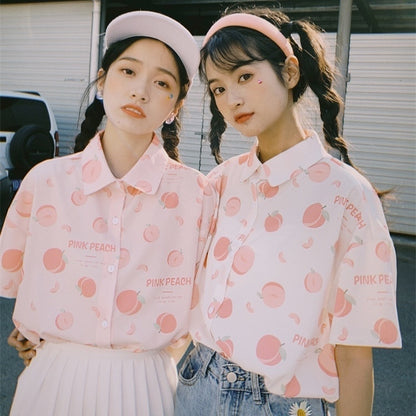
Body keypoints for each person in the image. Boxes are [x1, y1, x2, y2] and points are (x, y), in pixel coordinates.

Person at [174, 8, 401, 416]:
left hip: (285, 403)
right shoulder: (223, 182)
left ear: (290, 72)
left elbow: (354, 356)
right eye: (219, 89)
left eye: (244, 76)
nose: (233, 99)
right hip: (197, 384)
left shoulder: (348, 196)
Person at [0, 11, 216, 416]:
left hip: (149, 386)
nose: (141, 91)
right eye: (128, 71)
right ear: (102, 81)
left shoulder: (198, 196)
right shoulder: (46, 183)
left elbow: (205, 310)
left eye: (162, 83)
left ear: (176, 105)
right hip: (52, 380)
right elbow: (15, 283)